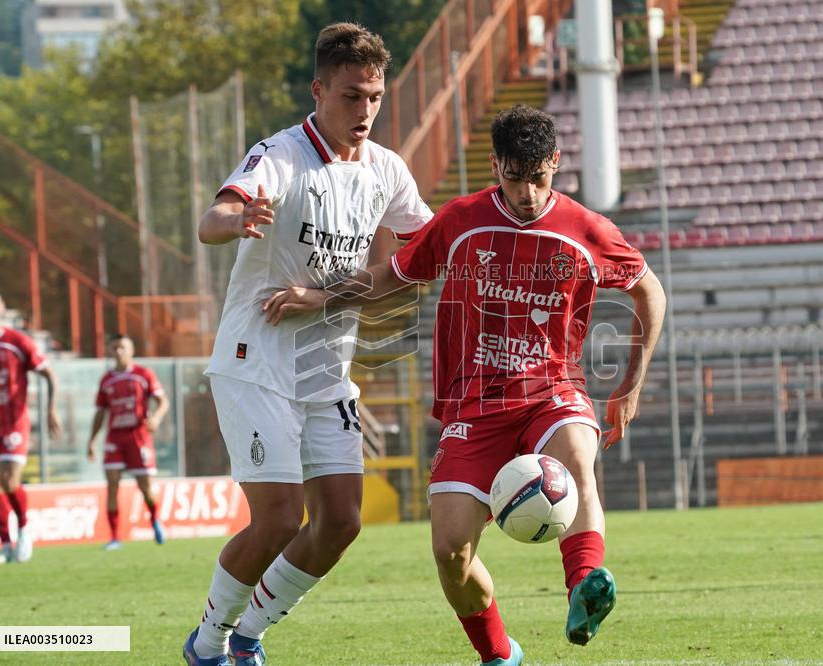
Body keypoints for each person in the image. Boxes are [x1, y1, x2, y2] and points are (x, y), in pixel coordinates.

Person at [271, 105, 666, 665]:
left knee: (577, 457)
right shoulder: (460, 221)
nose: (528, 192)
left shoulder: (586, 231)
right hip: (474, 406)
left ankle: (584, 584)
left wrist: (629, 387)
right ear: (494, 164)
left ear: (556, 162)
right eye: (514, 176)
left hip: (551, 390)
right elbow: (394, 273)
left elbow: (651, 292)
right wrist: (323, 295)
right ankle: (499, 655)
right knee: (449, 552)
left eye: (539, 176)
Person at [182, 22, 432, 666]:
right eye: (351, 96)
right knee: (277, 519)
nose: (365, 111)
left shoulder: (386, 170)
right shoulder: (282, 155)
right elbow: (212, 220)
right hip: (254, 359)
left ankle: (247, 637)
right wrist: (238, 220)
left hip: (326, 367)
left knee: (343, 522)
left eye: (374, 96)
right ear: (319, 90)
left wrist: (332, 297)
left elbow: (426, 255)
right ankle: (207, 645)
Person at [0, 283, 61, 565]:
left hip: (13, 423)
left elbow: (48, 373)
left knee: (9, 480)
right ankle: (5, 545)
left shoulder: (17, 341)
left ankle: (23, 528)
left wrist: (50, 409)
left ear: (3, 308)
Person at [86, 334, 170, 550]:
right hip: (115, 437)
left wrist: (157, 418)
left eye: (123, 347)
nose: (119, 352)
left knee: (145, 488)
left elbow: (162, 401)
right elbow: (100, 412)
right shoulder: (107, 379)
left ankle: (154, 518)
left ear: (131, 350)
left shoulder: (143, 374)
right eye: (114, 348)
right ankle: (114, 538)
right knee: (112, 484)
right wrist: (92, 440)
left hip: (138, 436)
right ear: (110, 351)